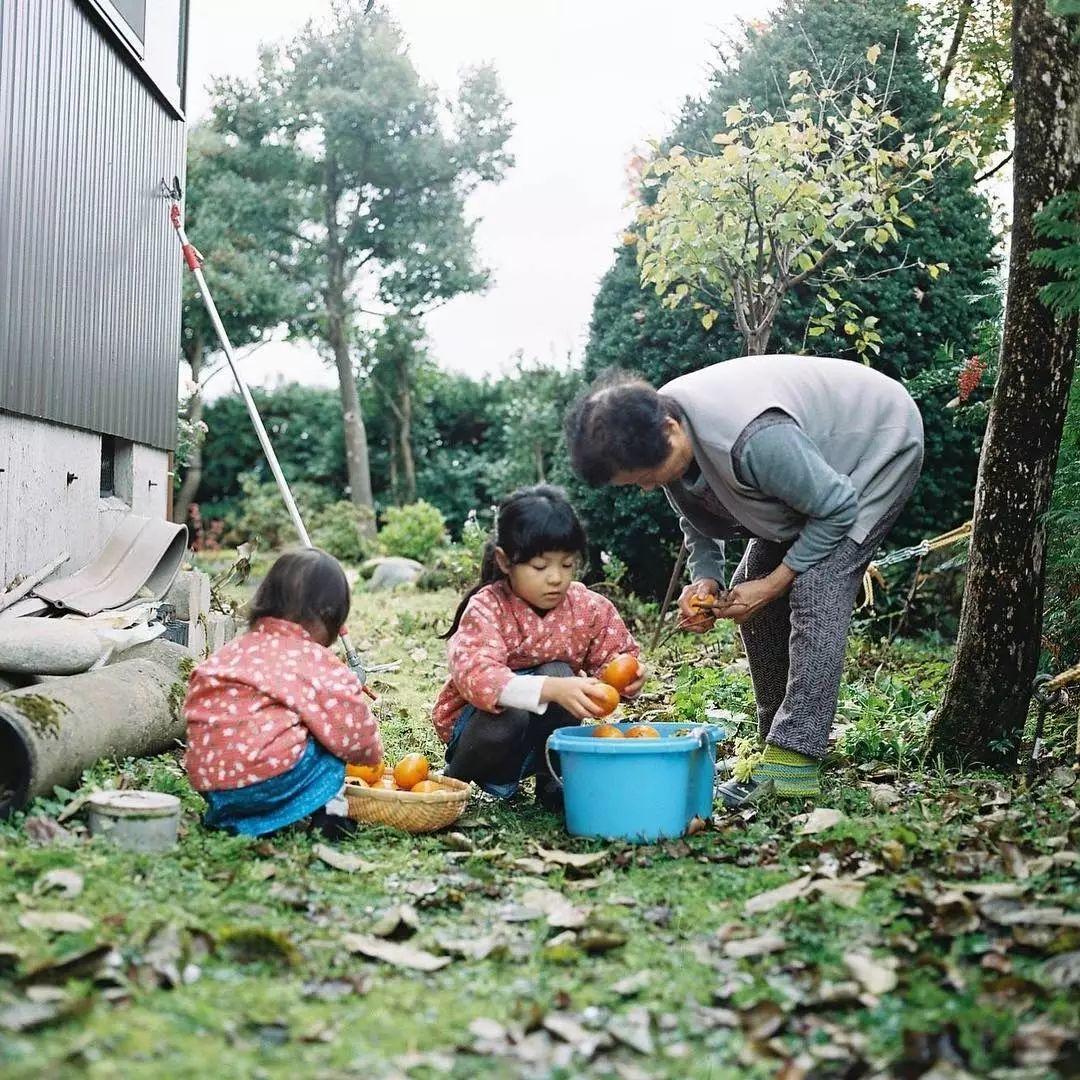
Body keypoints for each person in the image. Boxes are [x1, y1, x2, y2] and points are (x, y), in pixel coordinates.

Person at [564, 354, 924, 807]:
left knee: (817, 587)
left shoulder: (752, 439)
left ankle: (794, 761)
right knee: (746, 582)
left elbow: (836, 508)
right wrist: (706, 581)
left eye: (645, 476)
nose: (647, 488)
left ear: (670, 431)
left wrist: (776, 584)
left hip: (873, 448)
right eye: (633, 482)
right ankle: (779, 733)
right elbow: (696, 518)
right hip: (811, 480)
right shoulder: (662, 428)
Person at [433, 485, 644, 811]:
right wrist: (550, 688)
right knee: (522, 705)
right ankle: (453, 781)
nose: (556, 579)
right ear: (505, 561)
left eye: (567, 564)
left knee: (560, 671)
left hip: (542, 737)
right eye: (540, 567)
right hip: (485, 734)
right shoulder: (487, 608)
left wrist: (627, 677)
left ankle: (551, 782)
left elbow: (615, 656)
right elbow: (477, 675)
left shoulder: (587, 607)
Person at [183, 548, 382, 836]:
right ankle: (333, 816)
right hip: (267, 782)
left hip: (212, 783)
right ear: (329, 617)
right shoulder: (314, 660)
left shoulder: (234, 651)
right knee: (333, 740)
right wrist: (372, 755)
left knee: (292, 728)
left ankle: (237, 821)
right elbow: (355, 734)